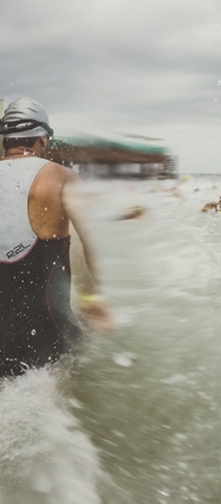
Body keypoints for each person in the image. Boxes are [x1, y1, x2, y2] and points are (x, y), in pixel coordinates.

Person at [0, 97, 112, 378]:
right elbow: (93, 241)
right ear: (41, 138)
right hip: (49, 330)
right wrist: (96, 297)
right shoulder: (60, 177)